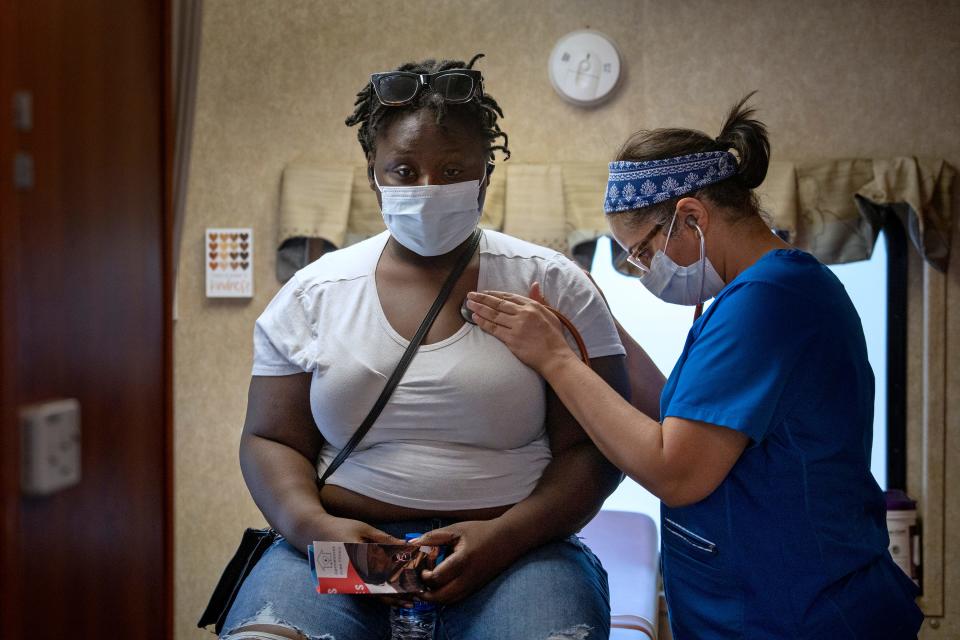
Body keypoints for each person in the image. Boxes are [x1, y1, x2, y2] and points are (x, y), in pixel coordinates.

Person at [466, 96, 925, 639]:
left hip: (801, 612)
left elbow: (675, 471)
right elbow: (680, 417)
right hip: (770, 604)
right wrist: (590, 319)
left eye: (642, 252)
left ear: (691, 217)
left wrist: (555, 358)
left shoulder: (769, 303)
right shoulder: (758, 294)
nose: (643, 271)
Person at [219, 54, 633, 640]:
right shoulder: (315, 293)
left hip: (519, 553)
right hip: (342, 548)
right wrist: (311, 526)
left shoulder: (554, 284)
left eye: (452, 169)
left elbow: (597, 450)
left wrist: (505, 537)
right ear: (374, 173)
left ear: (486, 174)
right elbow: (269, 437)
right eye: (405, 170)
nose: (428, 188)